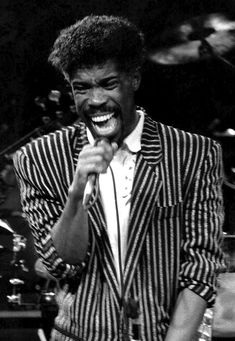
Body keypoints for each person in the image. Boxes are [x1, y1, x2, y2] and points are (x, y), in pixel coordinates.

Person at [13, 15, 225, 341]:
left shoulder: (193, 154)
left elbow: (200, 267)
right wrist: (77, 191)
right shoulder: (38, 158)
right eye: (82, 88)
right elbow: (60, 264)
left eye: (108, 84)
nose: (96, 100)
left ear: (134, 79)